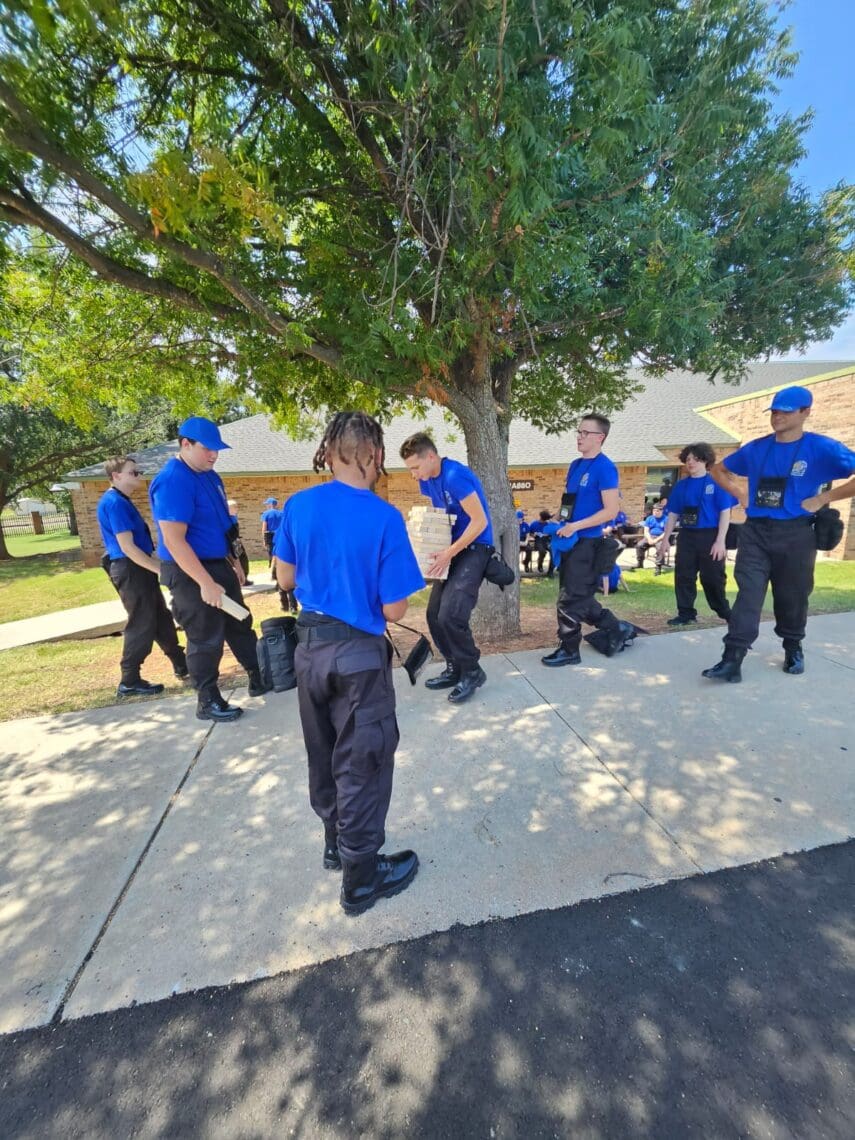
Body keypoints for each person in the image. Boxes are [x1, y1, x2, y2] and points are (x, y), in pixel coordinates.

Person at [274, 412, 425, 916]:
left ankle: (335, 844)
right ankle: (361, 878)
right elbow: (394, 609)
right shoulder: (383, 517)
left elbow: (286, 578)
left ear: (329, 452)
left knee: (325, 751)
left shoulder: (297, 505)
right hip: (358, 654)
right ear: (377, 456)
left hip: (309, 650)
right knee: (363, 759)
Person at [702, 386, 855, 682]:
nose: (777, 416)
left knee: (792, 596)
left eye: (786, 411)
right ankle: (732, 659)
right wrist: (738, 493)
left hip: (797, 534)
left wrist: (824, 499)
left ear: (805, 412)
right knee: (748, 595)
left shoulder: (821, 448)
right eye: (774, 411)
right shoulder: (757, 448)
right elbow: (718, 470)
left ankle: (793, 645)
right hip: (756, 532)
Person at [150, 416, 267, 722]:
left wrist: (233, 563)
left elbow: (221, 526)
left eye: (217, 449)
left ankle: (258, 675)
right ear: (185, 444)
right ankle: (208, 700)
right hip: (189, 571)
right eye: (207, 449)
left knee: (239, 622)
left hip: (218, 564)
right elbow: (175, 541)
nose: (214, 455)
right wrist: (205, 582)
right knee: (205, 635)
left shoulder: (210, 475)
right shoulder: (173, 479)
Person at [400, 432, 495, 703]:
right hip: (451, 550)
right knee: (434, 615)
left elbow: (479, 522)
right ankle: (455, 667)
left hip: (475, 548)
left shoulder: (455, 476)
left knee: (451, 615)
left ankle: (472, 671)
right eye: (410, 470)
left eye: (415, 468)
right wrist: (426, 545)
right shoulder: (428, 481)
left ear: (431, 457)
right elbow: (441, 518)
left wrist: (449, 553)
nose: (414, 475)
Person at [541, 414, 634, 667]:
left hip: (587, 543)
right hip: (570, 540)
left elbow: (610, 511)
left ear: (600, 437)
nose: (579, 437)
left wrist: (576, 526)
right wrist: (560, 520)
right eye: (578, 432)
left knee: (569, 598)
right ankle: (617, 628)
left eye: (585, 433)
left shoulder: (605, 468)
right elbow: (571, 502)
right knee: (580, 597)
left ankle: (570, 649)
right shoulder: (575, 465)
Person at [97, 456, 187, 697]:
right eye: (133, 472)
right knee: (142, 622)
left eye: (138, 471)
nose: (139, 475)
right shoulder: (114, 503)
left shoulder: (122, 501)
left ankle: (181, 664)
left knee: (160, 617)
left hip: (138, 567)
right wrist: (160, 569)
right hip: (130, 569)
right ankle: (129, 679)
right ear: (116, 476)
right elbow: (127, 547)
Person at [657, 444, 736, 627]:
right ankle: (686, 613)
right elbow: (673, 514)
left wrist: (720, 541)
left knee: (712, 577)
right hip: (687, 535)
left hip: (710, 535)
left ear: (705, 460)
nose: (690, 462)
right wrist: (666, 539)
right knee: (684, 575)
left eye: (695, 459)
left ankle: (724, 611)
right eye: (688, 459)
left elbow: (725, 512)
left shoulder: (716, 482)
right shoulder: (681, 485)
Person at [632, 502, 669, 572]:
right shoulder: (649, 518)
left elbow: (666, 533)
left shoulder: (666, 519)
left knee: (660, 548)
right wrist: (649, 539)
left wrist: (656, 540)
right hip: (650, 536)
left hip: (661, 537)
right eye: (654, 511)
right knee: (639, 545)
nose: (655, 512)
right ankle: (640, 564)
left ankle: (658, 566)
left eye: (657, 511)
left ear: (662, 511)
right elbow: (646, 531)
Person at [226, 499, 252, 585]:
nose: (237, 509)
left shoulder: (233, 517)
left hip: (236, 540)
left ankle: (244, 577)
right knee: (240, 559)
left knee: (243, 558)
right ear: (230, 508)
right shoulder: (228, 519)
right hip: (232, 541)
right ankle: (240, 579)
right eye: (235, 507)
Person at [528, 510, 554, 576]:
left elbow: (551, 534)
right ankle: (540, 565)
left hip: (547, 541)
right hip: (538, 540)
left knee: (553, 552)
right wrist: (534, 534)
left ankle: (550, 571)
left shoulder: (548, 524)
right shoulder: (534, 524)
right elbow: (530, 534)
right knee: (542, 551)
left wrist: (547, 534)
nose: (544, 522)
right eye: (544, 520)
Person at [261, 497, 281, 564]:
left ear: (270, 504)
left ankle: (272, 569)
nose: (266, 506)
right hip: (280, 535)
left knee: (271, 553)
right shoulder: (282, 513)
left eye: (267, 504)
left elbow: (264, 527)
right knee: (280, 553)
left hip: (270, 536)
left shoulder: (266, 513)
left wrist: (264, 540)